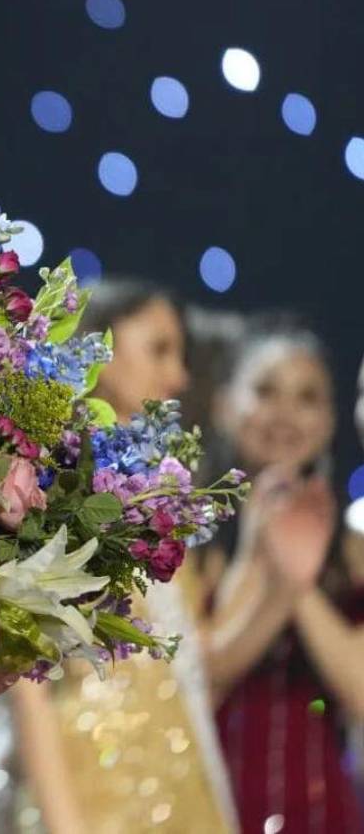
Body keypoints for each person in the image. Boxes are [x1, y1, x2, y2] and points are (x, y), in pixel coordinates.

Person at [0, 280, 239, 833]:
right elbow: (21, 676)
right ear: (99, 345)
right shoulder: (44, 484)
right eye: (158, 349)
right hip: (87, 791)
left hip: (178, 786)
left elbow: (193, 671)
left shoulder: (166, 499)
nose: (178, 377)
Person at [206, 321, 364, 833]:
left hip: (322, 816)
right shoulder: (185, 548)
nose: (285, 415)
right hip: (202, 809)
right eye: (266, 391)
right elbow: (200, 685)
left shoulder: (355, 553)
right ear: (228, 406)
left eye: (307, 397)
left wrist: (298, 575)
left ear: (330, 420)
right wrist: (257, 552)